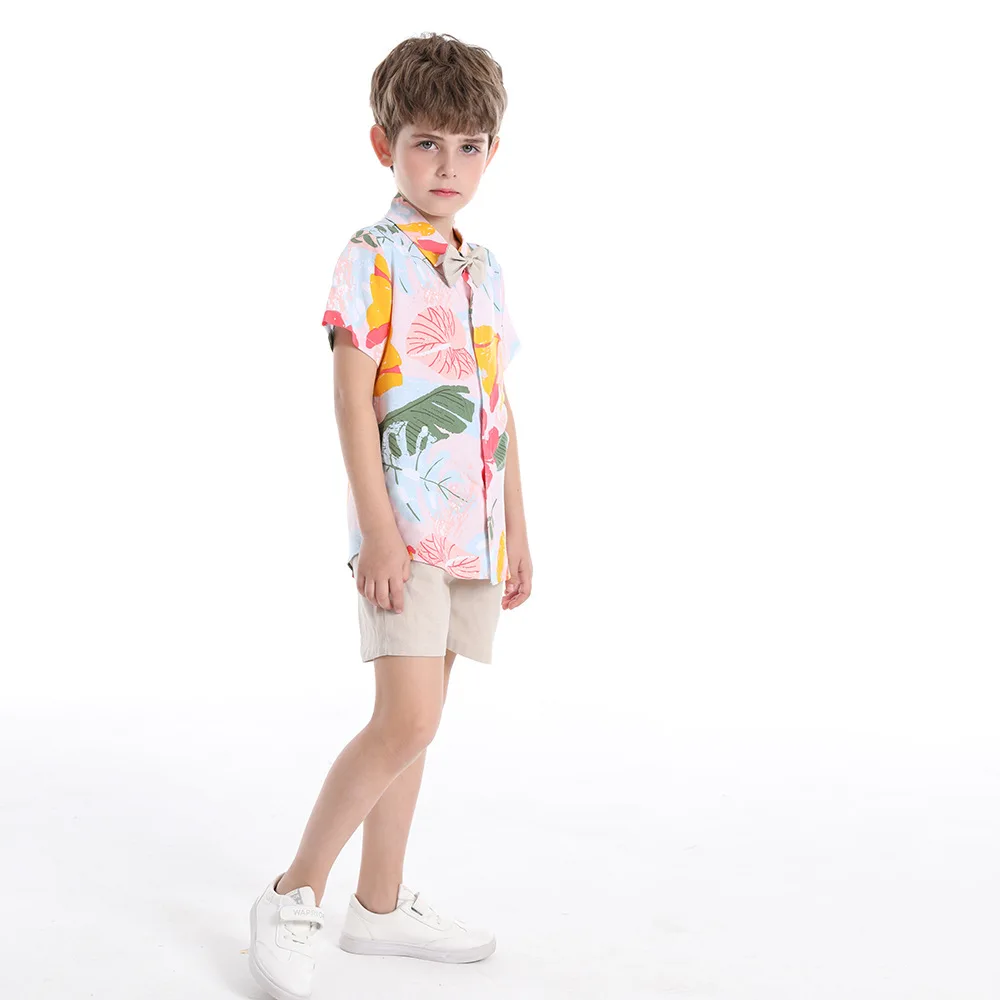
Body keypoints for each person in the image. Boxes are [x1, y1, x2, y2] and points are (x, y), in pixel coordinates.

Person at [248, 31, 532, 1000]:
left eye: (467, 146)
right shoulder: (370, 260)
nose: (447, 166)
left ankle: (377, 905)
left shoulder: (482, 268)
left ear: (491, 153)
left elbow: (497, 406)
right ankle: (293, 892)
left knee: (421, 725)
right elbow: (349, 396)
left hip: (473, 538)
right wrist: (377, 528)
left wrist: (518, 530)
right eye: (425, 144)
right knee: (402, 718)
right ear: (385, 146)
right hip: (405, 535)